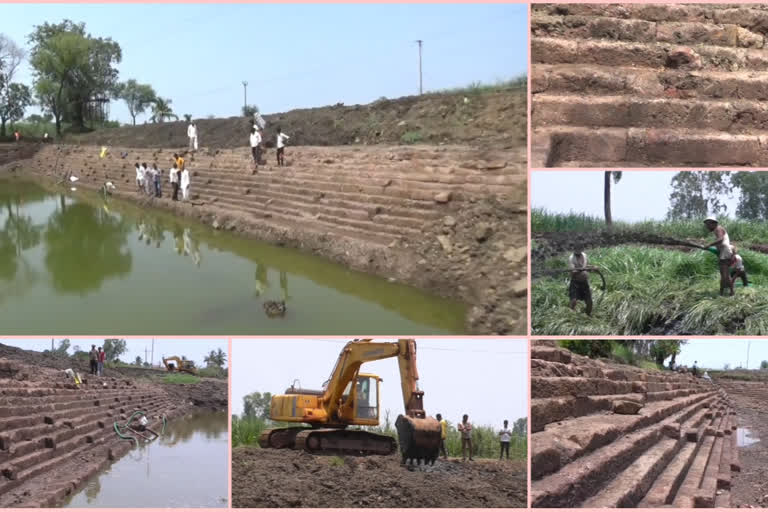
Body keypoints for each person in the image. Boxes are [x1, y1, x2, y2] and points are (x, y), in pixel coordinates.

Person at [704, 217, 733, 296]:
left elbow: (720, 239)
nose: (707, 227)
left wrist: (709, 244)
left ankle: (723, 294)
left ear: (713, 223)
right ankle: (729, 292)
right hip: (724, 252)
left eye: (708, 225)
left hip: (725, 252)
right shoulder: (717, 229)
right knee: (725, 274)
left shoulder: (718, 229)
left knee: (724, 274)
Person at [568, 246, 592, 316]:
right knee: (574, 301)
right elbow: (573, 272)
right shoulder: (571, 258)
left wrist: (592, 267)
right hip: (575, 282)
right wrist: (581, 269)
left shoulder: (584, 255)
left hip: (584, 281)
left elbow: (586, 266)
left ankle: (588, 316)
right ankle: (571, 315)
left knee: (589, 301)